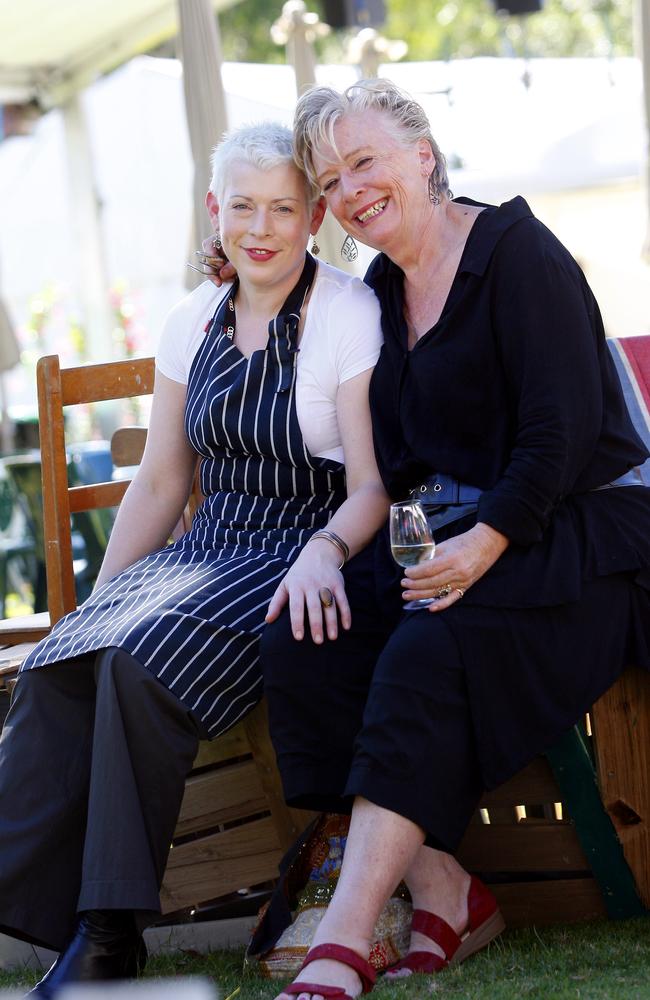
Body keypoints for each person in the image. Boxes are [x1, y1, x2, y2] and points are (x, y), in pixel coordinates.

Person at [258, 79, 650, 1000]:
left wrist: (482, 549)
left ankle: (341, 945)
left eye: (365, 162)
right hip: (467, 530)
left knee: (428, 647)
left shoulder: (518, 254)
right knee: (308, 633)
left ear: (423, 155)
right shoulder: (382, 291)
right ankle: (444, 888)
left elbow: (561, 435)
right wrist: (326, 551)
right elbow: (397, 468)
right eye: (332, 179)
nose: (351, 191)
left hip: (585, 529)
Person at [0, 121, 389, 998]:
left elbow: (371, 485)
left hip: (301, 549)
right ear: (214, 212)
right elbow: (162, 483)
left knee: (142, 664)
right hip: (208, 548)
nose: (262, 227)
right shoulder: (192, 319)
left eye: (284, 208)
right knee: (63, 663)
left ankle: (109, 936)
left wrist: (326, 552)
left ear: (315, 214)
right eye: (243, 206)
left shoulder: (344, 311)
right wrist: (91, 610)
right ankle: (32, 915)